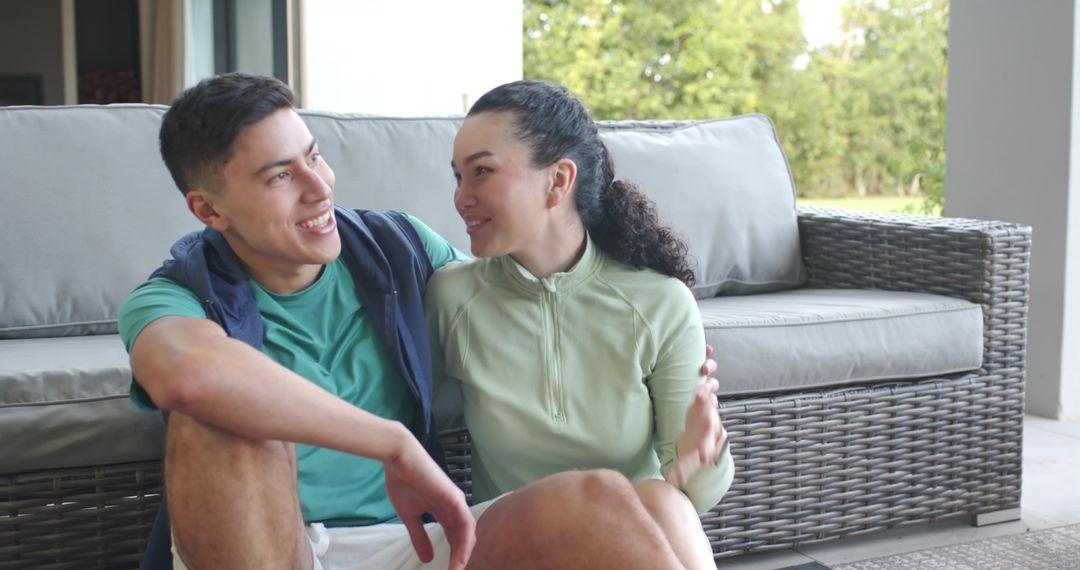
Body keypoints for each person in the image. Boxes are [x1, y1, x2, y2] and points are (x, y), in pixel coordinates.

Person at [122, 72, 720, 570]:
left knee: (601, 497)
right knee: (217, 421)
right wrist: (393, 443)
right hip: (277, 550)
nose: (319, 188)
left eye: (315, 158)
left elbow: (516, 296)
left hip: (411, 545)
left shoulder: (398, 248)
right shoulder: (174, 295)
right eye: (280, 176)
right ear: (209, 208)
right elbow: (190, 377)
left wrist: (642, 323)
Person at [426, 79, 735, 570]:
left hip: (629, 545)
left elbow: (695, 495)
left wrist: (702, 455)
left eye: (481, 172)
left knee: (662, 499)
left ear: (558, 180)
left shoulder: (660, 302)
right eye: (458, 177)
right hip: (512, 542)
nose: (462, 198)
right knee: (653, 498)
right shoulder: (452, 297)